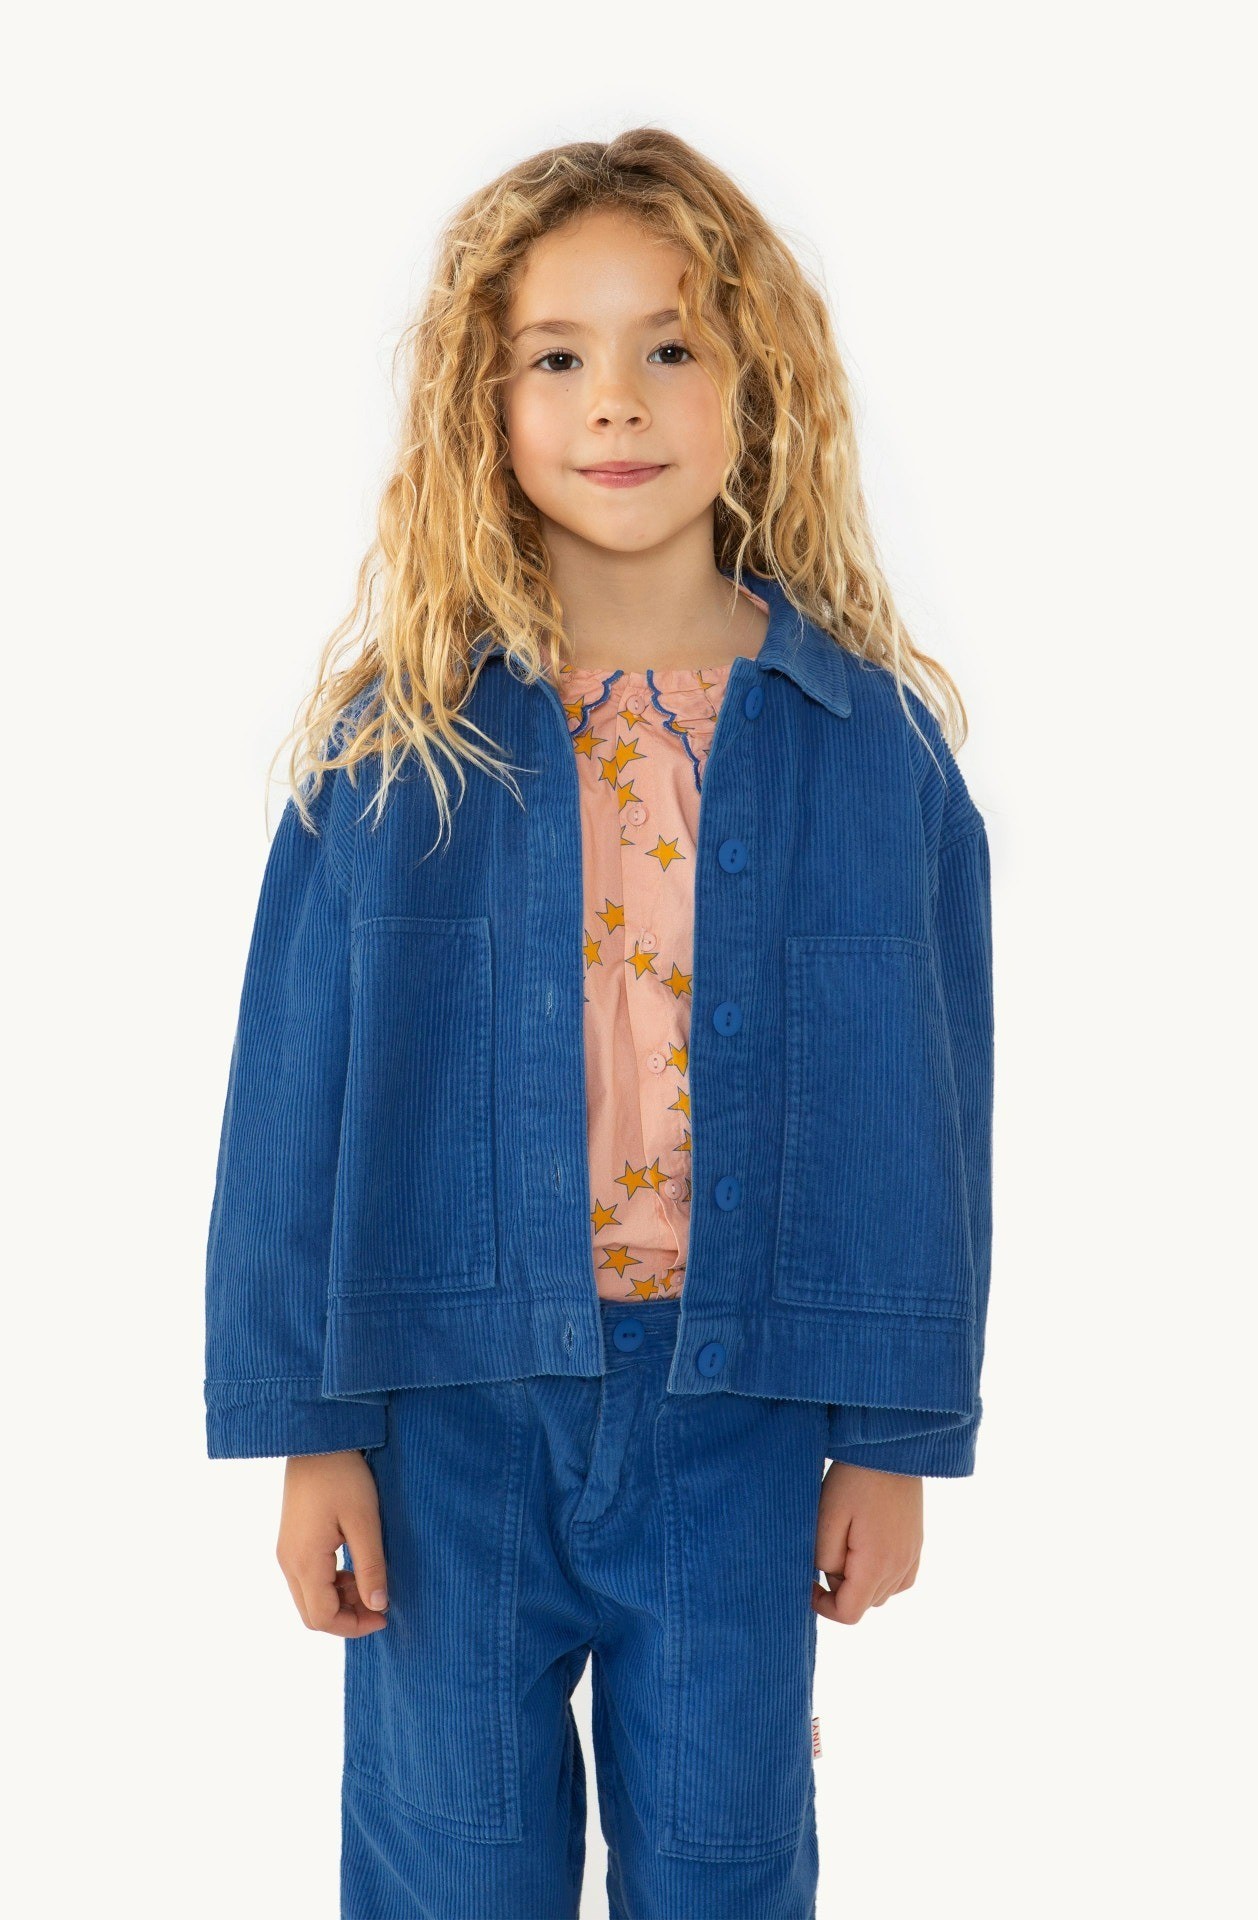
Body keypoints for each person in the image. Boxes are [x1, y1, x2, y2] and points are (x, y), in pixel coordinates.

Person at [204, 126, 995, 1920]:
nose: (615, 401)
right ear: (483, 404)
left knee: (724, 1862)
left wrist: (895, 1432)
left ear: (755, 383)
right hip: (449, 1413)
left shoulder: (870, 750)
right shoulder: (398, 747)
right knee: (451, 1864)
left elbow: (930, 1102)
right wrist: (310, 1429)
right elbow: (291, 1098)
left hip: (741, 1413)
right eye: (556, 356)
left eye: (670, 345)